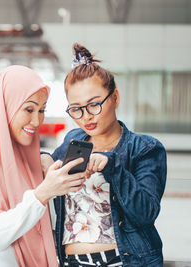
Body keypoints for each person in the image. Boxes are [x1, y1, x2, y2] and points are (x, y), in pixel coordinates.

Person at [0, 65, 87, 267]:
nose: (36, 121)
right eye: (29, 109)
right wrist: (42, 194)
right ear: (5, 106)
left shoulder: (20, 161)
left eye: (42, 110)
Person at [41, 43, 167, 267]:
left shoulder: (145, 148)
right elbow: (51, 170)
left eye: (94, 104)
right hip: (72, 261)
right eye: (76, 109)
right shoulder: (73, 142)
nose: (86, 116)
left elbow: (145, 214)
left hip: (125, 261)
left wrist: (112, 166)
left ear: (115, 97)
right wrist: (43, 157)